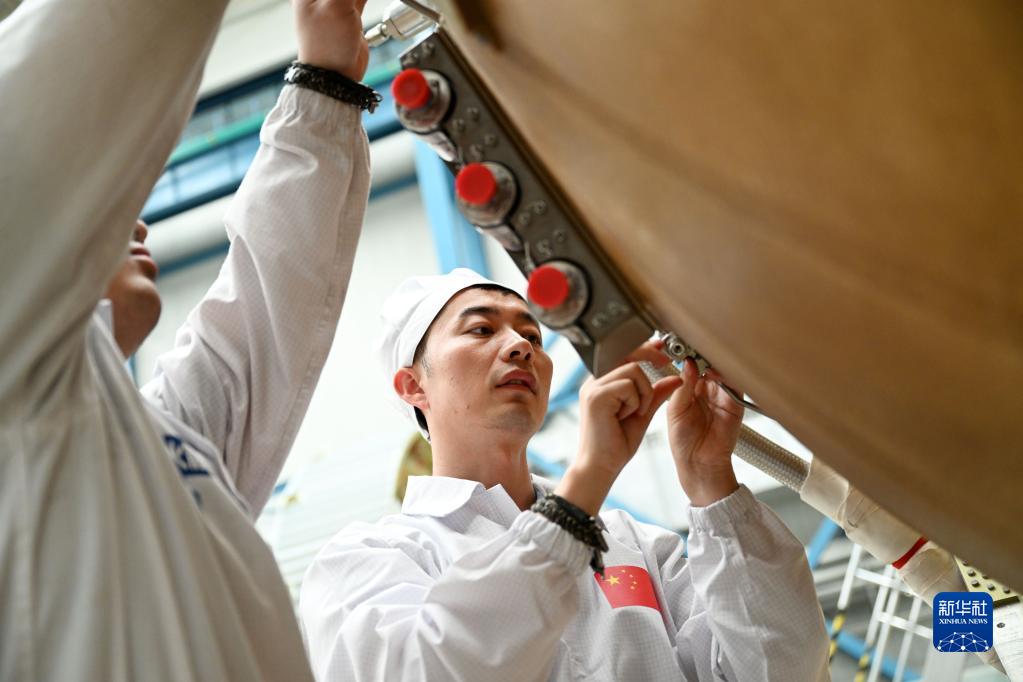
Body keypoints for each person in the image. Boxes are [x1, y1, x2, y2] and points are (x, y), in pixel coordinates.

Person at [0, 0, 374, 679]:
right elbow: (96, 53)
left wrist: (325, 82)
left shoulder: (147, 438)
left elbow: (260, 319)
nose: (136, 222)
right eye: (106, 205)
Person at [300, 268, 831, 681]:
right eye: (481, 329)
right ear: (413, 386)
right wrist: (586, 485)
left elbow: (783, 671)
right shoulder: (369, 562)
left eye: (531, 334)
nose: (520, 346)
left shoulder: (634, 545)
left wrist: (710, 479)